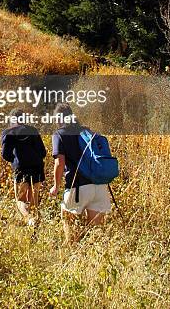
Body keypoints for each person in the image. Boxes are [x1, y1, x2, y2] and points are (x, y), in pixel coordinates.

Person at [49, 103, 111, 243]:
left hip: (78, 188)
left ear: (58, 118)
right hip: (99, 187)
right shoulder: (87, 132)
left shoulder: (59, 134)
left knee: (70, 229)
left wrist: (56, 186)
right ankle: (95, 262)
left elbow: (60, 162)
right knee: (96, 235)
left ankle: (72, 259)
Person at [1, 108, 47, 226]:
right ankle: (34, 228)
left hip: (21, 168)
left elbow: (5, 154)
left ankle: (29, 219)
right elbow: (43, 152)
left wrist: (15, 161)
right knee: (34, 199)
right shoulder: (33, 130)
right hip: (37, 167)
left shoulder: (9, 132)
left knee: (20, 200)